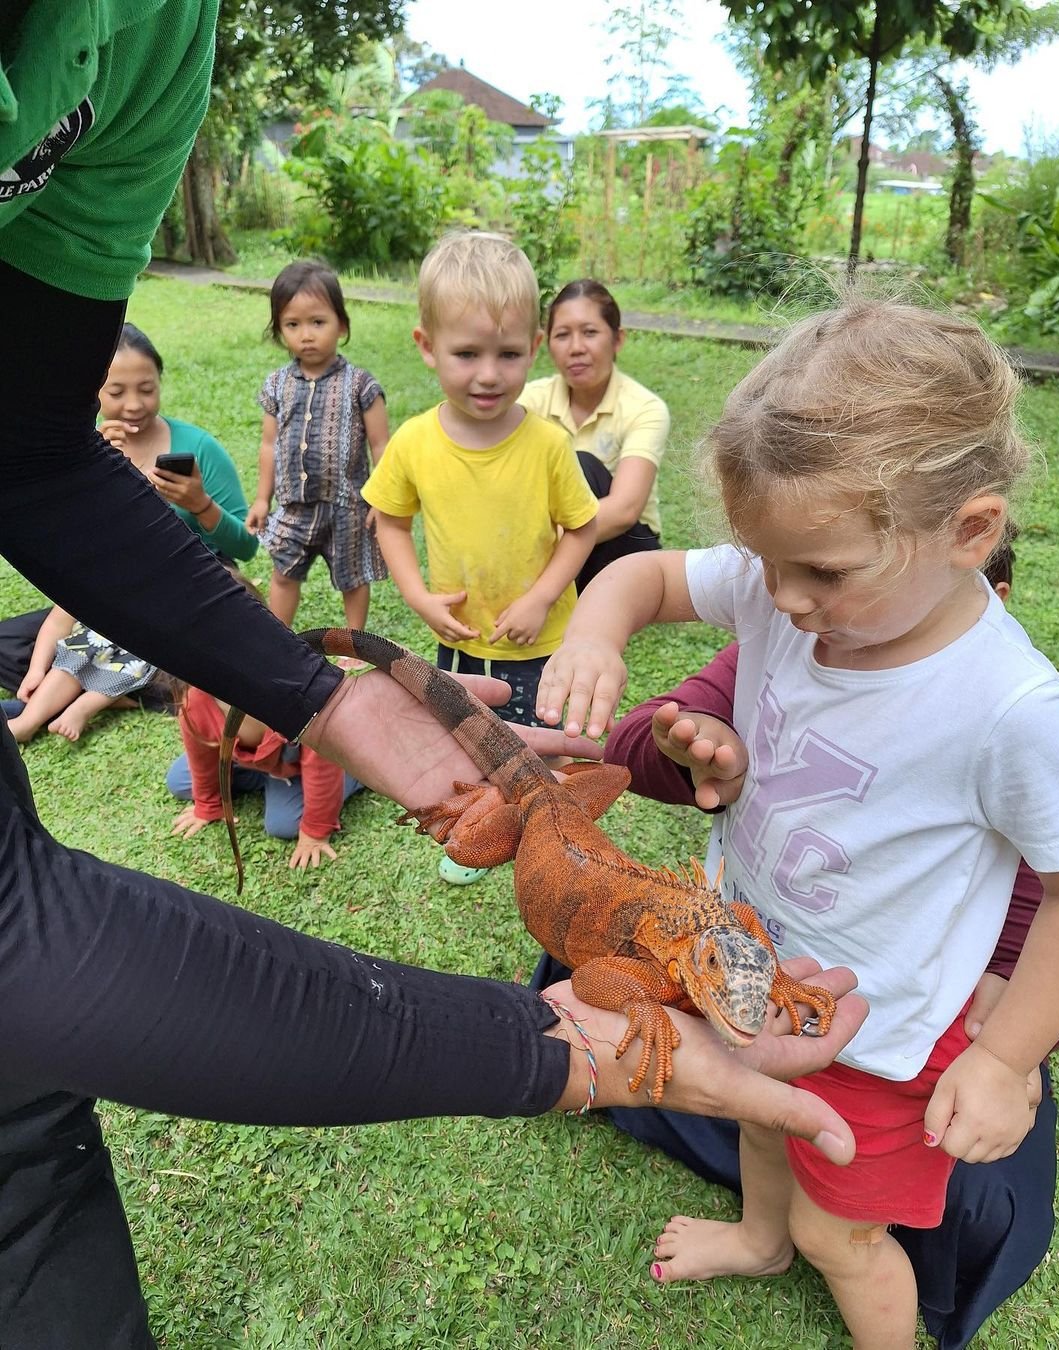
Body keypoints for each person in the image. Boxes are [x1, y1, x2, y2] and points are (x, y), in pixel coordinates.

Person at [0, 9, 868, 1346]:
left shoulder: (145, 27)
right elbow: (23, 934)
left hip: (579, 837)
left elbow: (30, 449)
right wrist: (561, 1048)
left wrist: (332, 694)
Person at [537, 296, 1059, 1350]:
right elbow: (644, 576)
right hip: (752, 964)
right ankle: (758, 1237)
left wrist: (1007, 1060)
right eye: (761, 560)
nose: (777, 598)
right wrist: (598, 634)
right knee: (753, 1116)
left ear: (969, 531)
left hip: (886, 1034)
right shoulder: (788, 577)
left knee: (849, 1234)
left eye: (820, 573)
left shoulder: (1013, 711)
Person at [363, 232, 598, 883]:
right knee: (472, 736)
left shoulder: (548, 445)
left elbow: (580, 530)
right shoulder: (413, 442)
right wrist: (416, 595)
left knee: (539, 739)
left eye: (510, 353)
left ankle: (551, 831)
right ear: (426, 346)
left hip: (540, 637)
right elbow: (390, 521)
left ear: (535, 349)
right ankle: (482, 830)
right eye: (467, 353)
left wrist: (542, 595)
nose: (489, 374)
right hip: (462, 638)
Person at [0, 322, 256, 700]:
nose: (134, 404)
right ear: (93, 393)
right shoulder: (80, 452)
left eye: (147, 389)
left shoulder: (199, 447)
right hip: (109, 588)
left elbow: (246, 548)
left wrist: (200, 505)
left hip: (186, 587)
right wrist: (89, 472)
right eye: (117, 392)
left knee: (200, 643)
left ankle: (94, 687)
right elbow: (68, 546)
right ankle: (118, 686)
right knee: (6, 643)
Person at [166, 575, 364, 871]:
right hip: (259, 761)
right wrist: (208, 805)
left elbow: (320, 761)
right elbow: (201, 753)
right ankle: (271, 776)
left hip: (320, 755)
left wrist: (314, 831)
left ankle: (357, 771)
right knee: (180, 780)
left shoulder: (295, 692)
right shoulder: (195, 699)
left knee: (283, 824)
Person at [246, 261, 389, 631]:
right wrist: (263, 499)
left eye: (318, 322)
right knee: (283, 570)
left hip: (349, 505)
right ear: (279, 330)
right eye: (293, 325)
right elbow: (269, 444)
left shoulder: (361, 385)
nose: (305, 335)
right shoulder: (277, 384)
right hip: (295, 505)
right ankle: (279, 640)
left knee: (353, 578)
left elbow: (381, 445)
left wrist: (382, 500)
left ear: (341, 325)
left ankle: (355, 643)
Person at [520, 279, 669, 590]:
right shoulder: (531, 400)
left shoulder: (645, 408)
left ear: (617, 340)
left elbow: (625, 509)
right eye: (562, 335)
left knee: (580, 465)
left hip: (624, 548)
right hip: (553, 532)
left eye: (589, 333)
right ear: (546, 345)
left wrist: (534, 542)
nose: (576, 348)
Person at [4, 602, 157, 743]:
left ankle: (80, 707)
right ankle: (31, 718)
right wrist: (36, 669)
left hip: (149, 649)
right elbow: (57, 622)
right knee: (87, 647)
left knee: (137, 662)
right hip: (96, 634)